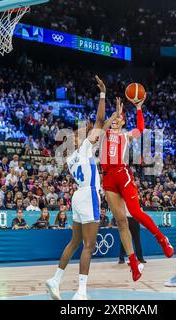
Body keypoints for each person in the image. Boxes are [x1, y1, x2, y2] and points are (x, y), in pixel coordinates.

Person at [46, 76, 114, 300]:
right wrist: (103, 94)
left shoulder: (70, 159)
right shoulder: (84, 148)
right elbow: (99, 120)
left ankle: (55, 280)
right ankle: (81, 292)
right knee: (89, 245)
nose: (81, 135)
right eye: (77, 135)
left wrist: (111, 120)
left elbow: (101, 127)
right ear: (76, 141)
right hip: (89, 195)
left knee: (74, 242)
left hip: (77, 196)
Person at [100, 94, 174, 281]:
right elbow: (101, 125)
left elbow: (141, 128)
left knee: (135, 211)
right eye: (114, 118)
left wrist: (139, 108)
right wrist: (114, 114)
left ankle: (162, 239)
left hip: (122, 174)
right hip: (108, 178)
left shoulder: (126, 136)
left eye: (119, 118)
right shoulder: (105, 134)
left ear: (123, 121)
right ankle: (133, 264)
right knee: (121, 222)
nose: (116, 120)